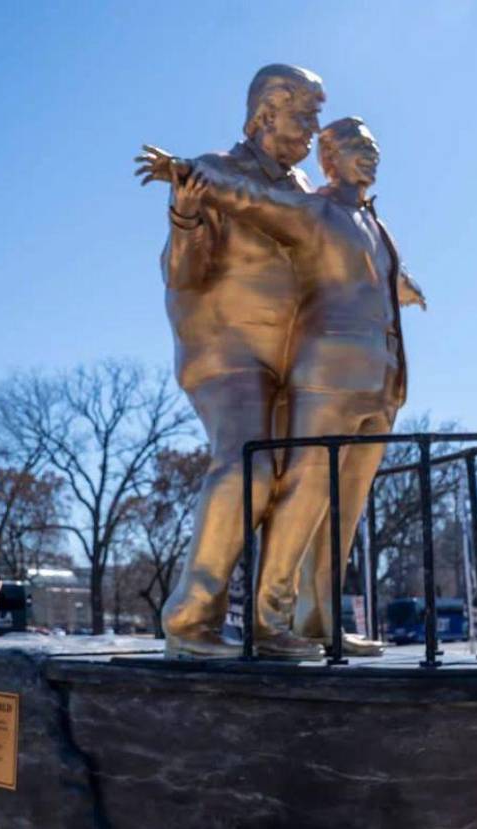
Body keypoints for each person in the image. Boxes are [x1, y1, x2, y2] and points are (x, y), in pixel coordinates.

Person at [138, 117, 425, 654]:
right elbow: (250, 200)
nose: (372, 154)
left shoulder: (374, 221)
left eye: (374, 146)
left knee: (341, 507)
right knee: (299, 489)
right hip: (321, 373)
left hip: (382, 380)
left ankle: (316, 620)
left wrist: (404, 286)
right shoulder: (313, 209)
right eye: (358, 146)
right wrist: (184, 174)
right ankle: (261, 622)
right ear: (330, 160)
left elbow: (375, 274)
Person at [137, 64, 327, 660]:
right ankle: (191, 618)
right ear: (268, 113)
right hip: (226, 351)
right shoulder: (213, 172)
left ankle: (279, 622)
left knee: (303, 477)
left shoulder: (304, 193)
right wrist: (186, 216)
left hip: (293, 358)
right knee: (247, 463)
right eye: (305, 114)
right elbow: (181, 273)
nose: (315, 129)